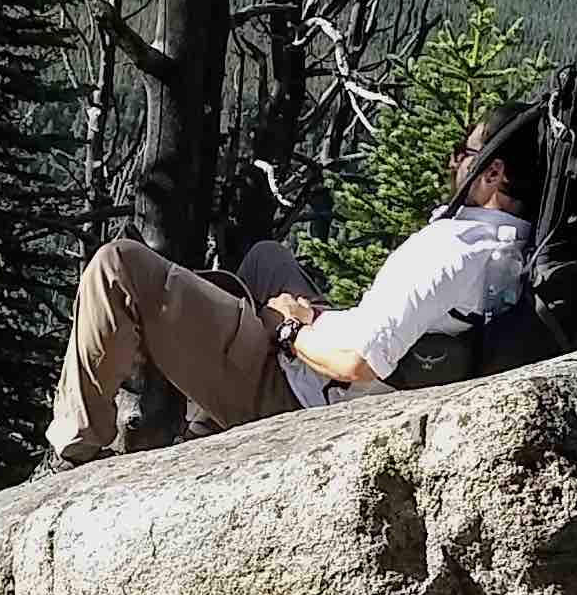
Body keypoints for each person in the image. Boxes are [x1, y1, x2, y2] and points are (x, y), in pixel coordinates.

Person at [45, 117, 530, 467]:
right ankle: (204, 427)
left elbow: (359, 361)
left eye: (464, 154)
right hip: (354, 375)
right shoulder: (515, 243)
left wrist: (291, 328)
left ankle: (75, 445)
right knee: (265, 259)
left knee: (117, 266)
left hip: (305, 394)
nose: (453, 162)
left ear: (492, 175)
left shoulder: (453, 247)